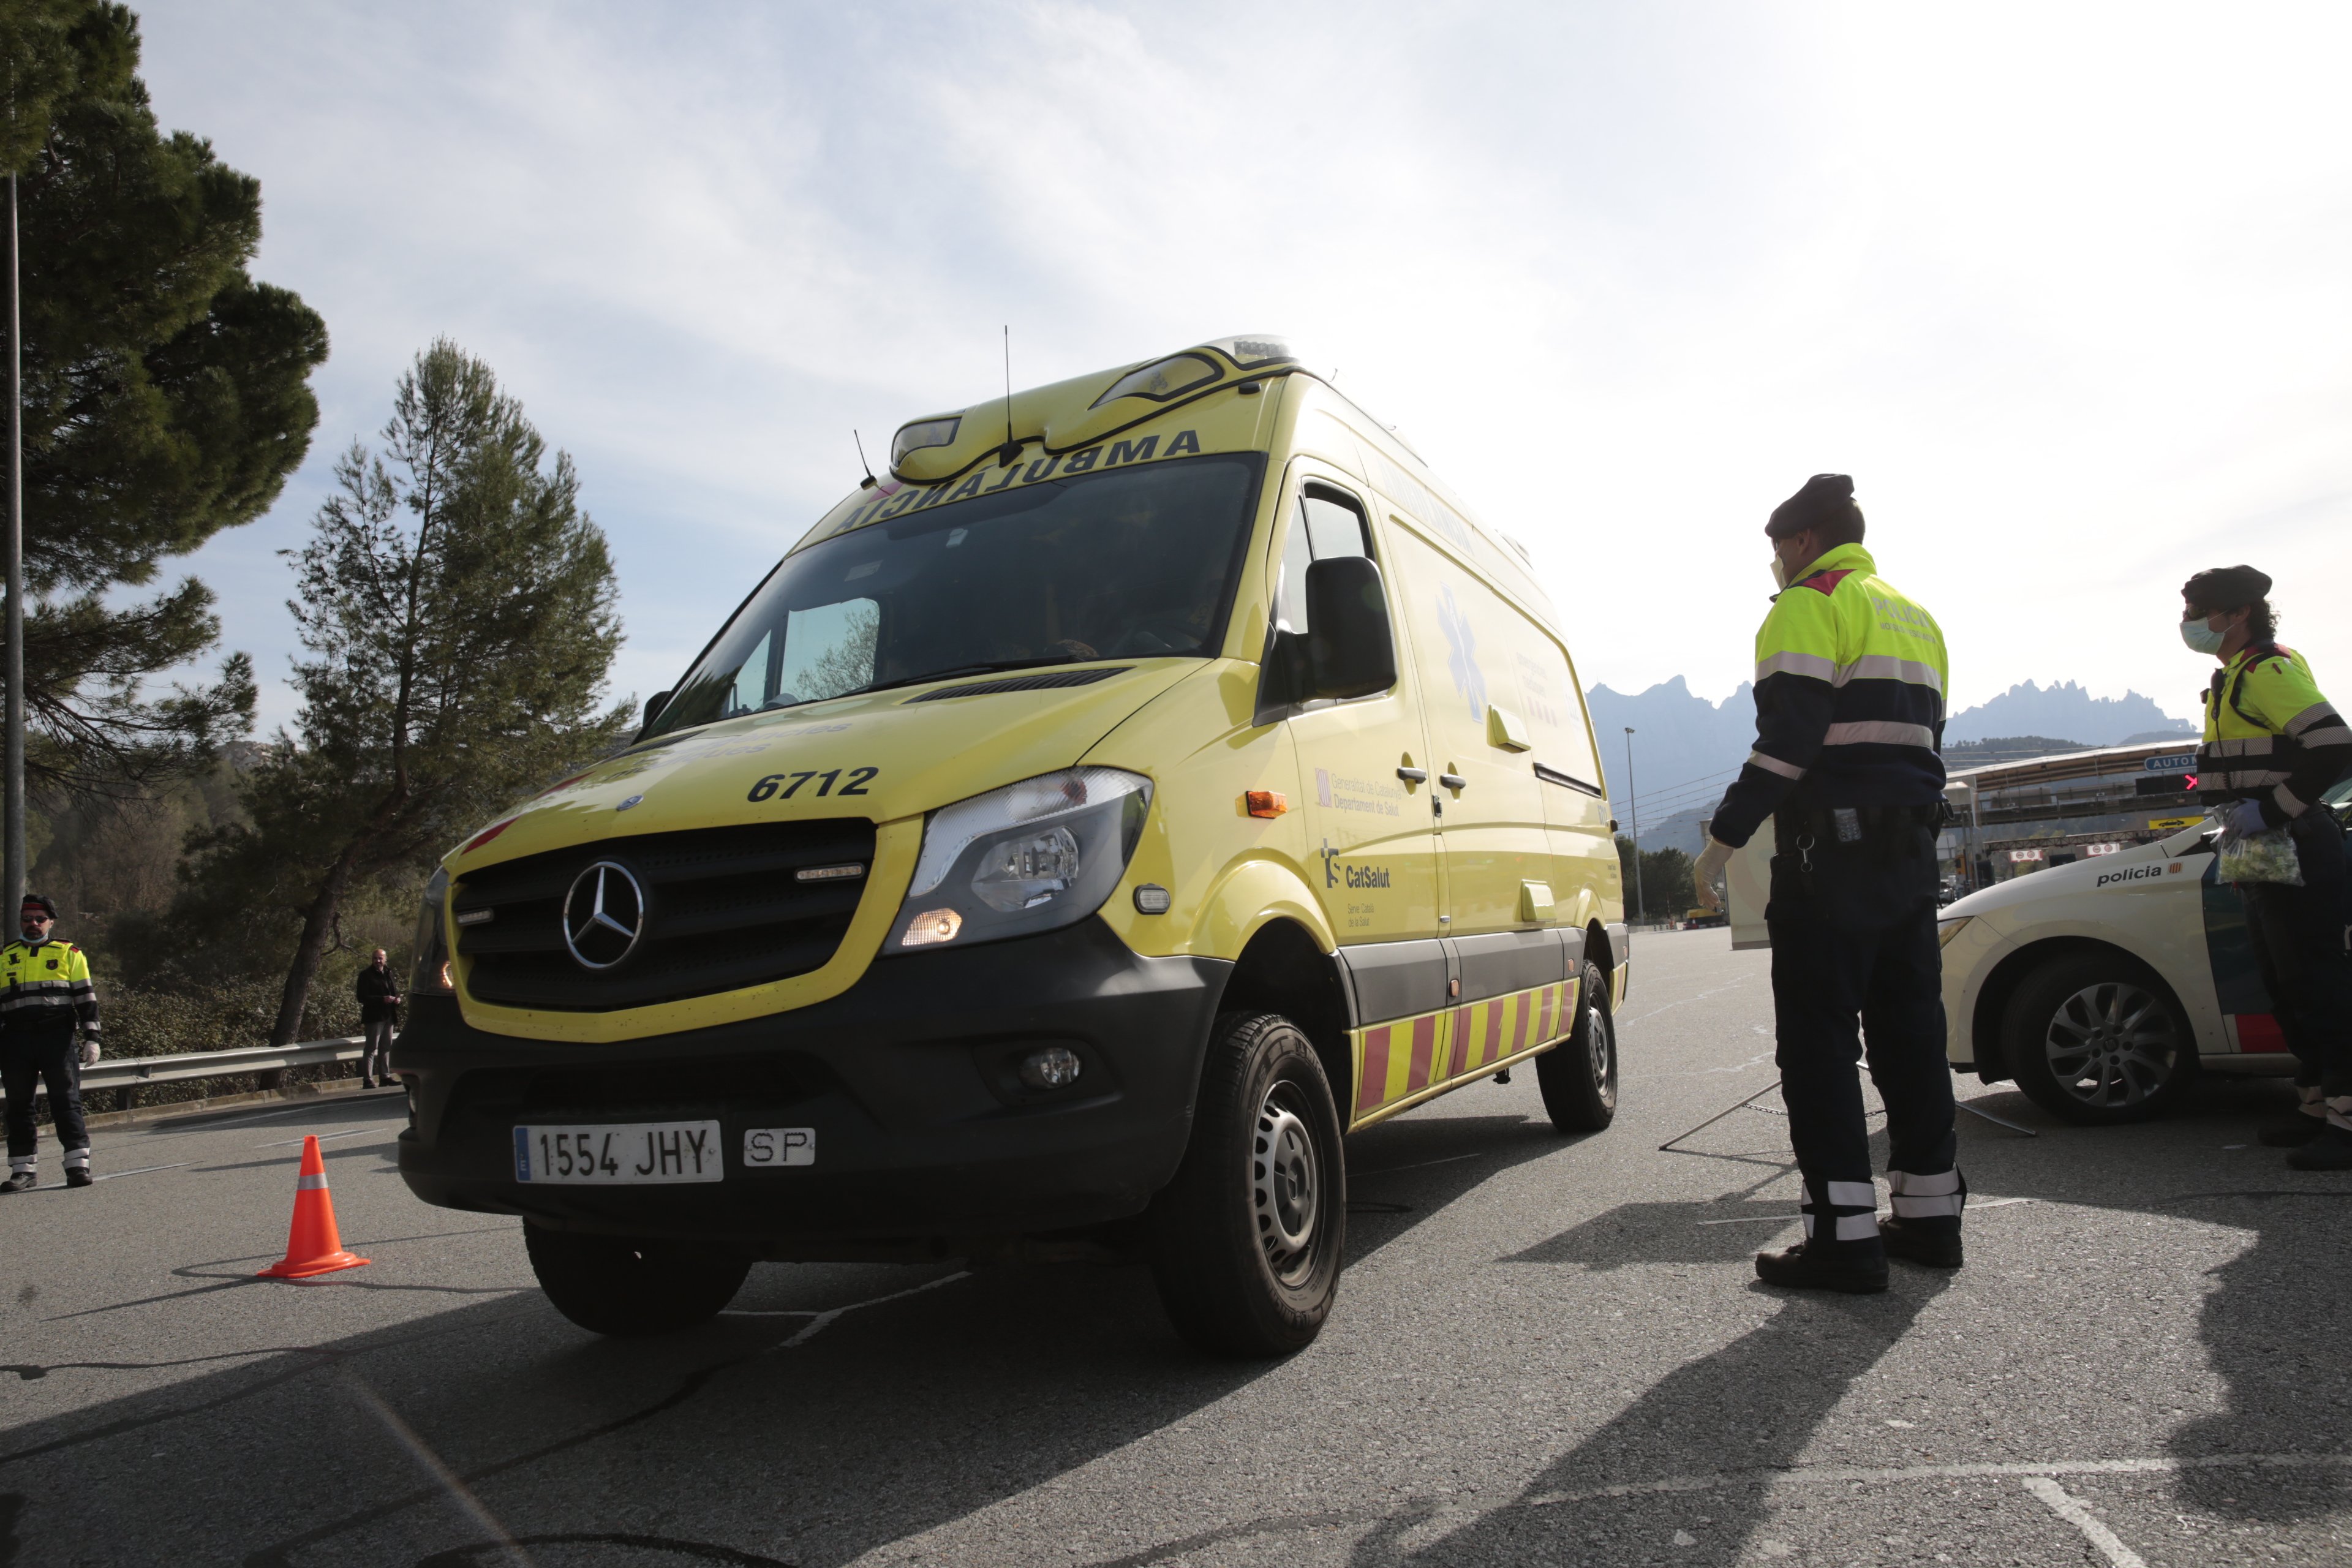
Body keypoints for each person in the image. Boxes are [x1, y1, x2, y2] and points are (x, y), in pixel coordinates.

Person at [1693, 474, 1959, 1292]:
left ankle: (1845, 1243)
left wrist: (1722, 840)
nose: (1774, 566)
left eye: (1777, 550)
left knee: (1819, 1049)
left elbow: (1790, 741)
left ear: (1802, 542)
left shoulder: (1808, 605)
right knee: (1912, 1040)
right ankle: (1929, 1221)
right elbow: (1925, 739)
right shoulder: (1914, 615)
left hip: (1830, 861)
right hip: (1911, 855)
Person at [2182, 567, 2352, 1169]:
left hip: (2296, 844)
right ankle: (2315, 1105)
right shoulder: (2231, 677)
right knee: (2287, 985)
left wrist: (2272, 809)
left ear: (2237, 613)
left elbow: (2334, 744)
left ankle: (2347, 1118)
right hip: (2263, 852)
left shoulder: (2267, 670)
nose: (2189, 622)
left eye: (2198, 609)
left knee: (2319, 984)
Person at [0, 894, 101, 1192]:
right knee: (18, 1107)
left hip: (56, 1038)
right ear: (20, 922)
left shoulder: (69, 953)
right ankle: (23, 1171)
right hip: (15, 1040)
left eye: (39, 919)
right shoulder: (5, 956)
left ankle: (77, 1166)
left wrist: (92, 1037)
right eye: (27, 919)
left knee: (66, 1102)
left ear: (50, 922)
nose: (33, 924)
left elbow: (86, 999)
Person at [356, 947, 402, 1089]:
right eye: (375, 958)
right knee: (371, 1048)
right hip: (374, 1017)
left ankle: (385, 1076)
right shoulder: (365, 975)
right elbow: (362, 997)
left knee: (386, 1047)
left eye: (380, 958)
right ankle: (368, 1079)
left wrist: (396, 1000)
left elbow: (393, 991)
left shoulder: (389, 973)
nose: (378, 961)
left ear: (385, 959)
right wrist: (382, 999)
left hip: (389, 1015)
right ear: (372, 960)